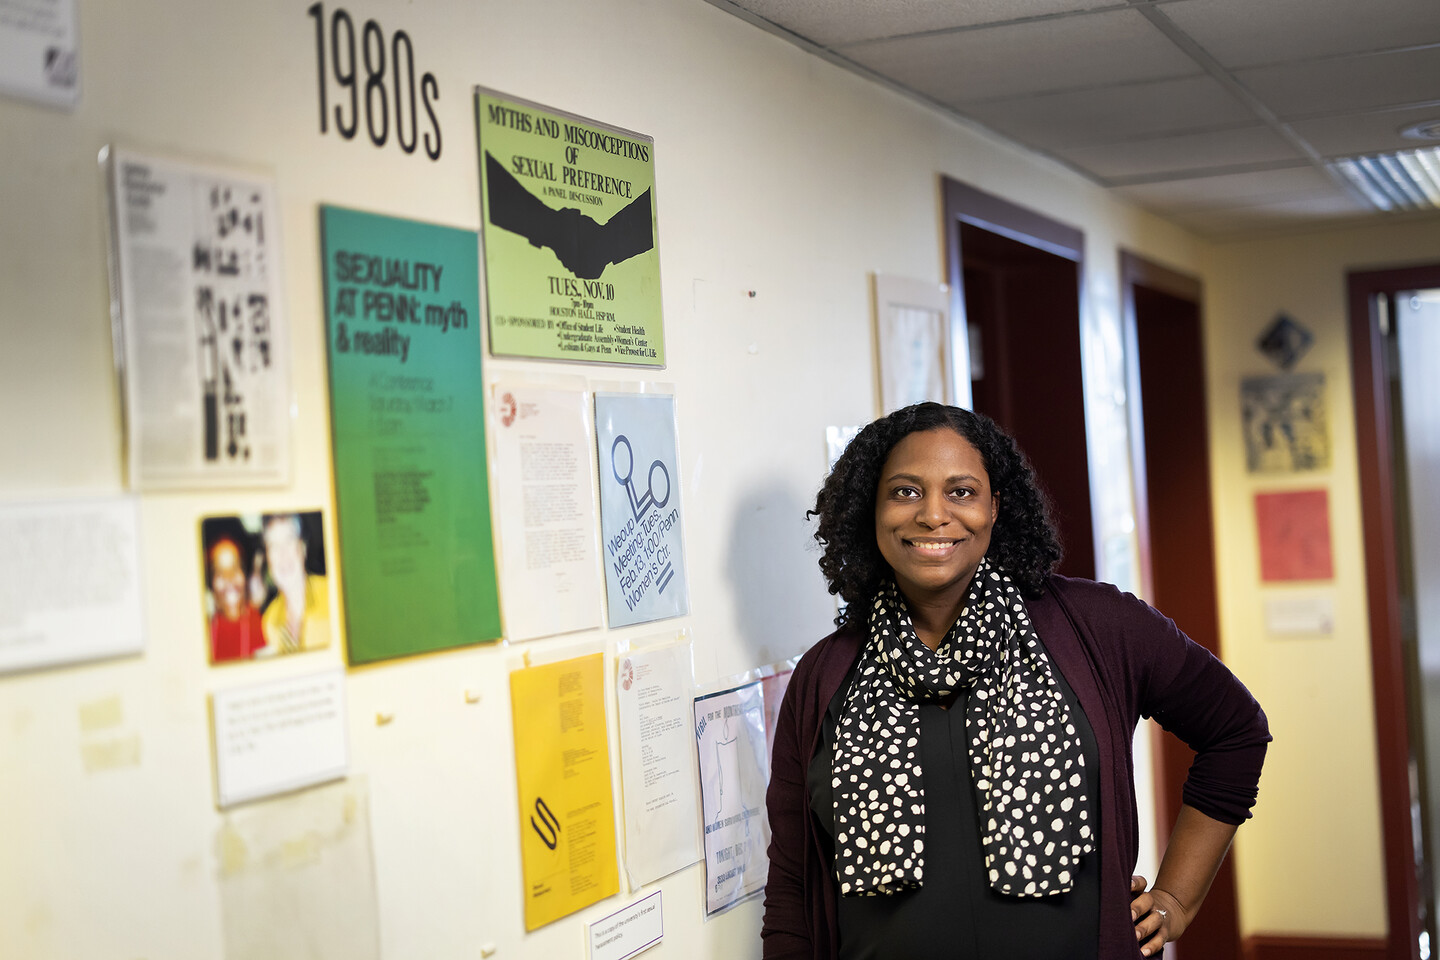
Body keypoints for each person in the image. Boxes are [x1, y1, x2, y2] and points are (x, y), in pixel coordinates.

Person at [762, 403, 1269, 960]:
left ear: (995, 507)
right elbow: (792, 881)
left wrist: (1177, 899)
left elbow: (1236, 731)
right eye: (905, 491)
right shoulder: (824, 676)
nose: (933, 515)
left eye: (961, 492)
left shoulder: (1098, 626)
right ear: (871, 510)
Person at [258, 513, 330, 654]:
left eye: (289, 540)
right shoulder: (270, 620)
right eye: (274, 546)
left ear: (303, 548)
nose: (283, 554)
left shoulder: (334, 594)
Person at [207, 533, 266, 662]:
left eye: (235, 567)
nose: (229, 577)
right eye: (219, 571)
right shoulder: (202, 633)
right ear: (211, 584)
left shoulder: (264, 626)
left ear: (245, 576)